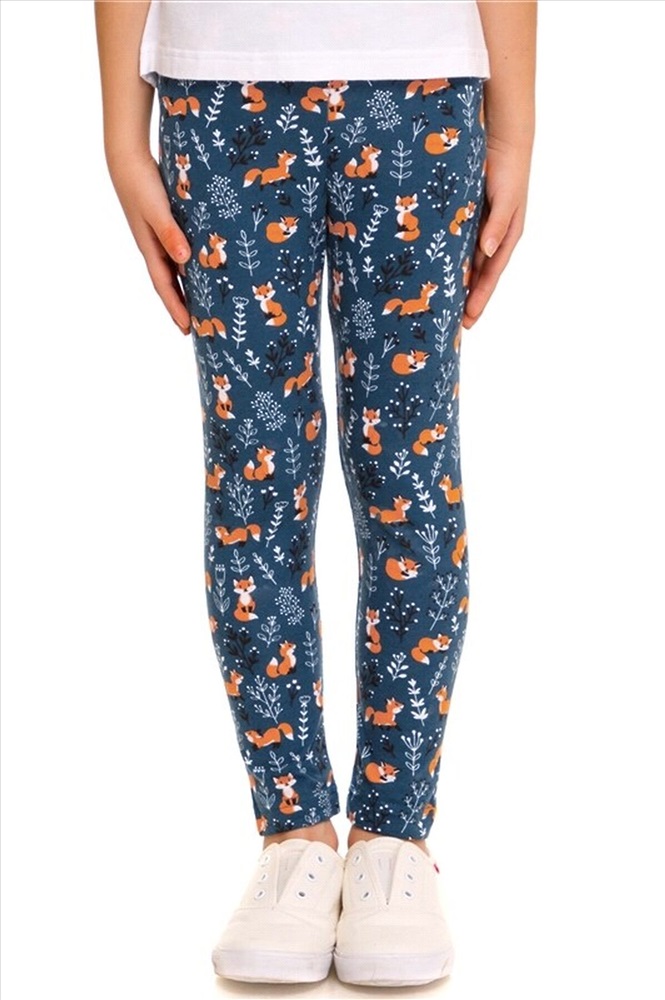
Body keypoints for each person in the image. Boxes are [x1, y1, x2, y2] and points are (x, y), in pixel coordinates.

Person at [95, 0, 536, 987]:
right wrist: (122, 125)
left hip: (421, 79)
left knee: (409, 466)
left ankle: (393, 837)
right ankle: (292, 830)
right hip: (218, 85)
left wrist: (513, 123)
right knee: (253, 469)